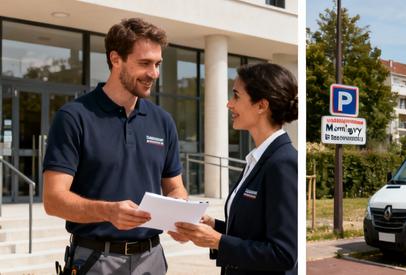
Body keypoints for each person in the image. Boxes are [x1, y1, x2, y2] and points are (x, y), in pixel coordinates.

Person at [42, 18, 186, 274]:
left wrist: (179, 212)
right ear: (115, 58)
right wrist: (108, 212)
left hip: (152, 259)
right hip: (96, 260)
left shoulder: (162, 121)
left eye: (157, 64)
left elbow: (175, 187)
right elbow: (53, 200)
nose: (154, 73)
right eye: (144, 63)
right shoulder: (75, 117)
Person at [171, 63, 299, 275]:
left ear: (261, 105)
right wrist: (213, 227)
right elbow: (253, 234)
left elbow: (284, 254)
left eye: (236, 96)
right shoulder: (257, 159)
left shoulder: (283, 163)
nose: (230, 104)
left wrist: (218, 241)